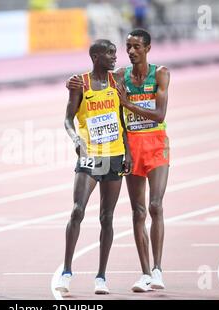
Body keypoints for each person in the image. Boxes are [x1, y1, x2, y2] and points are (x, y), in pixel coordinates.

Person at [66, 29, 170, 292]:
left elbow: (159, 114)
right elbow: (95, 77)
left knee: (155, 205)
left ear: (147, 48)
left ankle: (157, 269)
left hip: (156, 144)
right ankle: (145, 273)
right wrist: (73, 82)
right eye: (127, 47)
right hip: (131, 146)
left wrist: (129, 104)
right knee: (138, 211)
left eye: (136, 47)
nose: (130, 51)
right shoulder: (120, 75)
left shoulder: (160, 74)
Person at [55, 39, 131, 295]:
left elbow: (123, 119)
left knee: (107, 218)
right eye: (110, 53)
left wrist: (128, 152)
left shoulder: (117, 81)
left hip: (115, 155)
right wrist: (75, 138)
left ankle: (101, 276)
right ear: (96, 57)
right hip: (90, 156)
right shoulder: (80, 84)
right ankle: (66, 271)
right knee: (77, 211)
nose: (114, 57)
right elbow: (67, 118)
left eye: (114, 53)